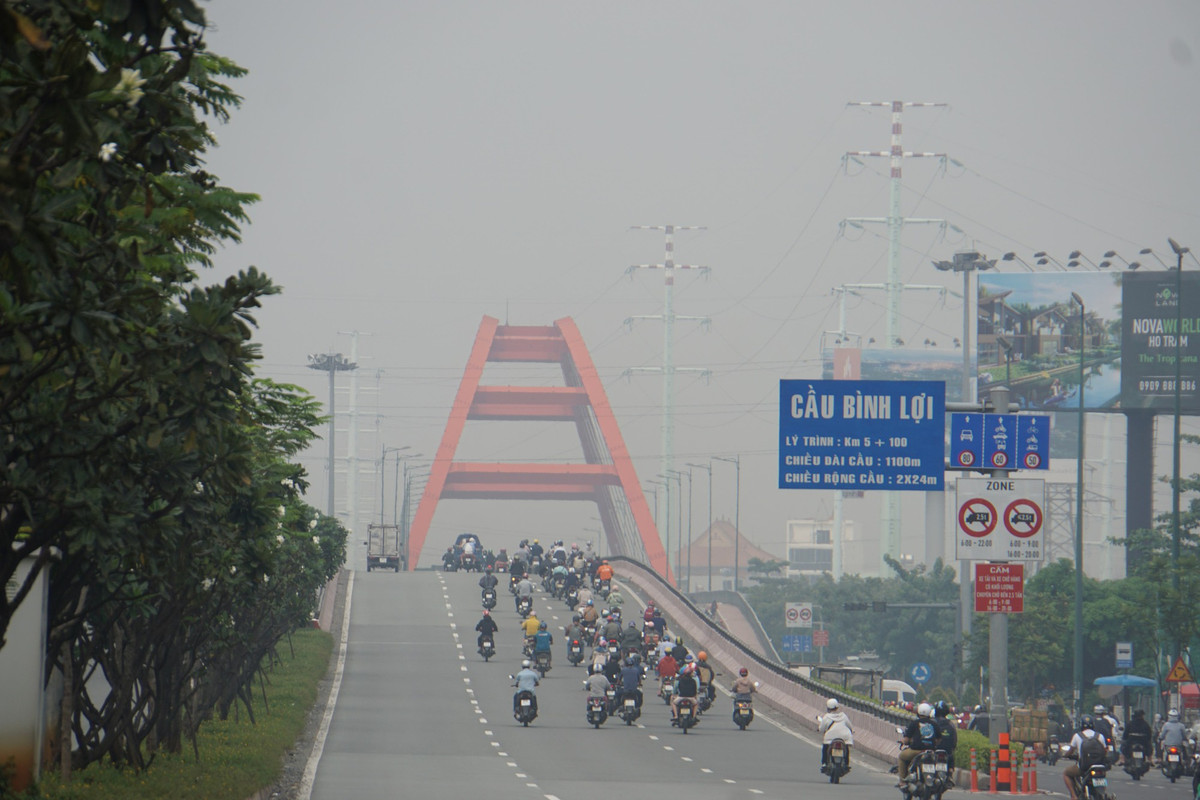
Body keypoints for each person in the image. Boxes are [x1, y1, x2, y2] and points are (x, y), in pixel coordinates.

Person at [1063, 715, 1107, 800]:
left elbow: (1071, 750)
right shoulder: (1100, 736)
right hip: (1099, 767)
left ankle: (1074, 796)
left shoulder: (1077, 736)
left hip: (1084, 767)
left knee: (1066, 773)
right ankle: (1103, 794)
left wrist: (1066, 755)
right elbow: (1105, 750)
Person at [897, 703, 938, 784]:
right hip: (930, 752)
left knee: (901, 757)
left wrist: (903, 741)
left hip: (916, 751)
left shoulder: (914, 723)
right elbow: (939, 738)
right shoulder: (934, 724)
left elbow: (906, 739)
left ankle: (902, 780)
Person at [819, 697, 855, 772]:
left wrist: (820, 730)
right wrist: (852, 731)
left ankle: (824, 763)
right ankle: (846, 763)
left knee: (825, 748)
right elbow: (850, 726)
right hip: (844, 737)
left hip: (830, 738)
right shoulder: (843, 716)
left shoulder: (826, 717)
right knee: (846, 748)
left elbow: (821, 729)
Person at [932, 700, 958, 780]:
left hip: (933, 749)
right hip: (947, 751)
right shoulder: (951, 724)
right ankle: (950, 773)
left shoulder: (932, 723)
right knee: (951, 757)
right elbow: (954, 740)